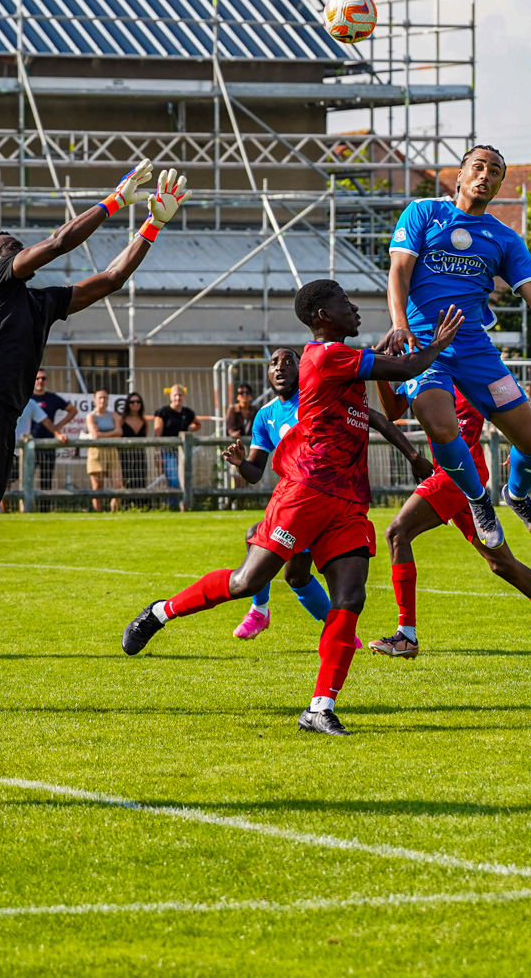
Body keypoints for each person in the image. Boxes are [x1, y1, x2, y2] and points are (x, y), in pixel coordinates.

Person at [119, 280, 465, 736]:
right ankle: (160, 611)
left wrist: (412, 451)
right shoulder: (322, 356)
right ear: (322, 314)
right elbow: (404, 369)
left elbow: (378, 406)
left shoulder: (342, 361)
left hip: (348, 499)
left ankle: (319, 708)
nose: (354, 307)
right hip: (304, 492)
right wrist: (438, 343)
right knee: (247, 583)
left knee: (351, 598)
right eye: (345, 302)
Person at [0, 162, 185, 697]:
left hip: (4, 422)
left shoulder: (39, 301)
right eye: (11, 245)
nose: (20, 249)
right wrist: (114, 201)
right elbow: (59, 241)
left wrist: (150, 226)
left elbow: (108, 280)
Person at [386, 144, 531, 549]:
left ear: (501, 183)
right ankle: (478, 498)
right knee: (440, 424)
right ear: (461, 173)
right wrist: (400, 324)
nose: (486, 175)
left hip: (475, 353)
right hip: (424, 347)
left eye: (496, 171)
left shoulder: (504, 238)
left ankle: (517, 495)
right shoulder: (424, 212)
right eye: (479, 167)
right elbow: (399, 270)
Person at [367, 381, 531, 665]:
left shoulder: (468, 368)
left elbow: (512, 409)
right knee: (502, 564)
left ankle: (406, 635)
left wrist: (523, 447)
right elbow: (392, 410)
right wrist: (380, 368)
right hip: (455, 474)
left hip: (462, 474)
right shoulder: (420, 368)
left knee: (397, 533)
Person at [223, 349, 342, 640]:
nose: (280, 368)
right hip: (294, 502)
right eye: (274, 363)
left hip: (325, 497)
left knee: (257, 536)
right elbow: (255, 473)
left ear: (301, 370)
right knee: (296, 576)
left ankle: (258, 611)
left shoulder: (314, 400)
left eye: (289, 362)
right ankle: (338, 631)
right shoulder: (265, 416)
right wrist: (241, 464)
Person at [30, 369, 77, 507]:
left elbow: (72, 410)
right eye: (37, 378)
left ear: (47, 381)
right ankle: (25, 508)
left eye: (43, 378)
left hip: (48, 443)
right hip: (28, 444)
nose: (40, 381)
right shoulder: (26, 398)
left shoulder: (52, 398)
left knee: (46, 479)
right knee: (26, 479)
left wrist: (58, 426)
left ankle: (44, 509)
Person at [153, 383, 200, 509]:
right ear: (170, 396)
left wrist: (190, 429)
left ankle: (184, 504)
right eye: (175, 395)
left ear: (183, 396)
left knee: (185, 478)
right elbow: (157, 433)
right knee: (173, 479)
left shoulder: (188, 412)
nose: (177, 398)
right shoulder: (162, 412)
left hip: (183, 451)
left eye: (180, 395)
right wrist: (157, 453)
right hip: (167, 449)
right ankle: (173, 505)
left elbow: (197, 424)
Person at [83, 389, 122, 512]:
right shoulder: (91, 416)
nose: (102, 400)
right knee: (97, 486)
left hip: (112, 451)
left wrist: (102, 433)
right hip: (96, 452)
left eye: (105, 398)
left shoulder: (114, 415)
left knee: (118, 485)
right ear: (95, 400)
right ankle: (98, 513)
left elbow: (119, 432)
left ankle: (114, 511)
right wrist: (112, 433)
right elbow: (95, 435)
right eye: (100, 398)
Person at [119, 392, 149, 499]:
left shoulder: (144, 420)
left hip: (139, 454)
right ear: (128, 404)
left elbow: (145, 436)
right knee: (126, 479)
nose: (135, 404)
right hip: (125, 455)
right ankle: (126, 505)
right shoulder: (122, 420)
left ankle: (140, 504)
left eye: (138, 402)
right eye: (132, 402)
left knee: (140, 478)